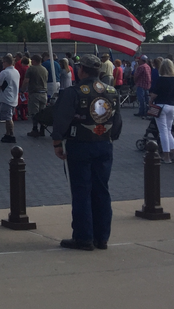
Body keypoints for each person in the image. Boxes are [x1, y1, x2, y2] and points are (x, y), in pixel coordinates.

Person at [51, 54, 122, 251]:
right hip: (104, 144)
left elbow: (61, 119)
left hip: (80, 144)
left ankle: (84, 237)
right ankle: (102, 237)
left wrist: (57, 142)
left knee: (82, 191)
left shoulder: (74, 92)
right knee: (101, 190)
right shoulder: (111, 91)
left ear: (82, 70)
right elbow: (117, 122)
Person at [149, 59, 174, 164]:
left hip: (160, 105)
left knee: (163, 131)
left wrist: (150, 101)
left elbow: (154, 94)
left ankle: (166, 156)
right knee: (168, 131)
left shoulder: (161, 79)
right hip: (172, 106)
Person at [0, 54, 20, 143]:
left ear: (6, 62)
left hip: (6, 97)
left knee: (8, 117)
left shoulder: (4, 72)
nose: (2, 64)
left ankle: (11, 134)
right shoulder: (16, 72)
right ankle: (7, 133)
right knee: (8, 117)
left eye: (3, 62)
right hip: (14, 97)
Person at [24, 55, 49, 137]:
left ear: (34, 61)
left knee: (34, 112)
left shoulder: (31, 69)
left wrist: (22, 89)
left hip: (34, 93)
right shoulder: (44, 69)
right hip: (44, 93)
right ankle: (42, 129)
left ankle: (35, 129)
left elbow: (26, 80)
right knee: (43, 112)